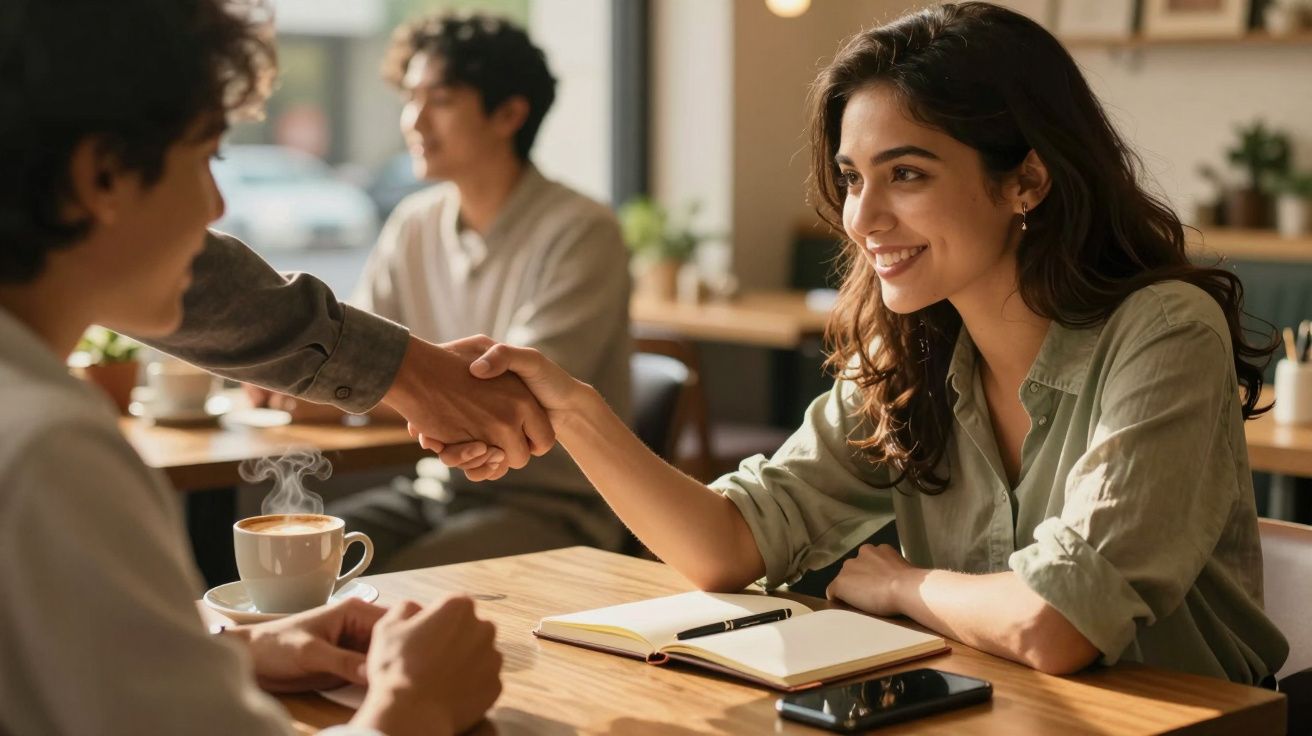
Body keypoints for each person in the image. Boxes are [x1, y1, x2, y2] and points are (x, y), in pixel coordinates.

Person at [439, 2, 1289, 684]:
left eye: (907, 174)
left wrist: (901, 585)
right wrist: (578, 413)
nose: (861, 216)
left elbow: (1054, 623)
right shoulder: (911, 351)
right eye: (852, 177)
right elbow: (726, 544)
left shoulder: (1164, 329)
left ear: (1026, 179)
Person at [0, 1, 509, 733]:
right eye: (208, 157)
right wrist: (413, 708)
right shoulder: (52, 454)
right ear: (103, 174)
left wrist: (230, 655)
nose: (217, 208)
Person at [253, 12, 632, 570]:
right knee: (286, 559)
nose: (414, 120)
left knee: (385, 586)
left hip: (554, 509)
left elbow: (511, 400)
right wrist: (307, 382)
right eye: (410, 97)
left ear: (509, 114)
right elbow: (352, 356)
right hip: (436, 493)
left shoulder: (582, 229)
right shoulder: (414, 222)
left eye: (443, 100)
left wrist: (343, 391)